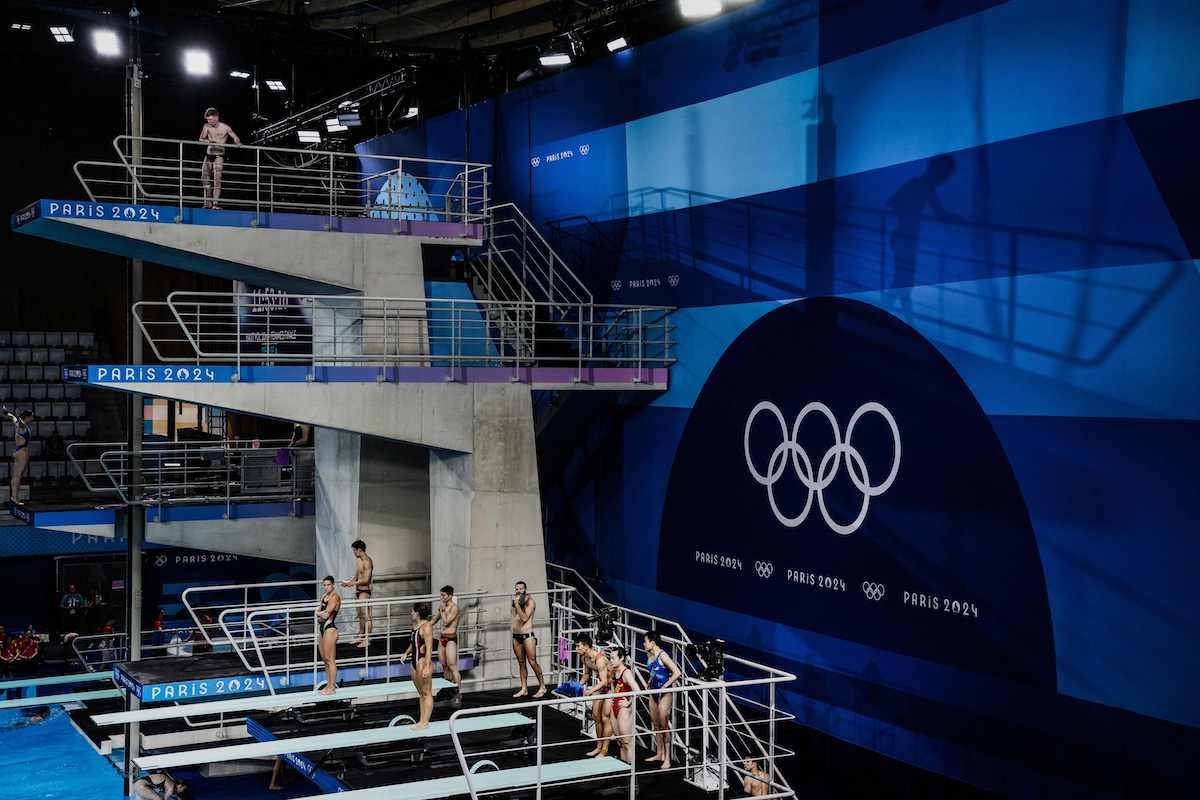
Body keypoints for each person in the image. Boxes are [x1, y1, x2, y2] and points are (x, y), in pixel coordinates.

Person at [643, 629, 682, 770]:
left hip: (664, 694)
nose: (643, 644)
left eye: (645, 641)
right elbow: (654, 671)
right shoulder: (650, 655)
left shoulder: (662, 655)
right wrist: (649, 681)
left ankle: (668, 759)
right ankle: (659, 753)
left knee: (664, 727)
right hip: (653, 692)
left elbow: (677, 672)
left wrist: (665, 685)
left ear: (652, 643)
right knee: (656, 724)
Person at [575, 632, 612, 758]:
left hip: (611, 687)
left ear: (586, 646)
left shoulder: (600, 659)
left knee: (605, 718)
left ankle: (605, 749)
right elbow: (586, 675)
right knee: (596, 716)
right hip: (601, 687)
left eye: (578, 646)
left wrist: (590, 691)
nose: (576, 649)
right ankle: (599, 746)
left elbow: (605, 681)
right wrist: (577, 687)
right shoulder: (584, 658)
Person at [400, 602, 435, 730]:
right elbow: (413, 643)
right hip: (414, 662)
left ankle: (425, 722)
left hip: (422, 661)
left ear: (418, 613)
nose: (411, 613)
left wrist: (426, 666)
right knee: (421, 694)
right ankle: (421, 720)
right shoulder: (415, 626)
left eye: (412, 611)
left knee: (427, 693)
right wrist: (406, 653)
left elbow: (430, 647)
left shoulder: (426, 627)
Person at [198, 107, 241, 209]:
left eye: (211, 119)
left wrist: (237, 141)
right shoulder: (206, 126)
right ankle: (207, 203)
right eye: (208, 120)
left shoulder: (225, 127)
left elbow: (234, 137)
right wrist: (208, 141)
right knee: (205, 179)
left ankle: (215, 204)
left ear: (217, 117)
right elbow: (200, 139)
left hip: (219, 156)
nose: (209, 121)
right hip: (208, 155)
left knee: (217, 180)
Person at [511, 580, 546, 698]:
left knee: (532, 661)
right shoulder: (515, 602)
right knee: (521, 663)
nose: (518, 591)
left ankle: (542, 687)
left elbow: (524, 618)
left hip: (528, 636)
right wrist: (516, 604)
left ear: (525, 590)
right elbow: (515, 618)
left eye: (520, 589)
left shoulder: (530, 601)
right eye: (516, 589)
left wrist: (516, 604)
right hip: (516, 637)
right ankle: (524, 688)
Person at [608, 645, 641, 763]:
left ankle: (631, 770)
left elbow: (638, 691)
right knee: (620, 742)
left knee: (627, 742)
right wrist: (612, 696)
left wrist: (629, 702)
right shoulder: (613, 671)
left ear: (621, 658)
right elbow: (613, 686)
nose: (611, 661)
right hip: (614, 707)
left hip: (623, 710)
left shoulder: (626, 673)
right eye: (610, 658)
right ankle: (624, 769)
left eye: (613, 658)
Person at [341, 539, 374, 649]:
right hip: (358, 590)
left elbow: (366, 579)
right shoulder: (359, 560)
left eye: (354, 551)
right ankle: (361, 635)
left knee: (367, 616)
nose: (353, 553)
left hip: (365, 591)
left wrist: (353, 583)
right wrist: (348, 582)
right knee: (360, 615)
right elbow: (356, 576)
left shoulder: (368, 561)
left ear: (360, 550)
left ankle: (367, 639)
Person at [316, 576, 341, 695]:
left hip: (330, 629)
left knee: (330, 659)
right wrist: (320, 613)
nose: (326, 587)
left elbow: (326, 615)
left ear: (333, 585)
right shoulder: (324, 597)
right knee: (325, 659)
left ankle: (332, 688)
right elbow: (321, 613)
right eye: (324, 585)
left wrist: (318, 612)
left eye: (328, 585)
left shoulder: (335, 597)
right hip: (322, 629)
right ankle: (328, 685)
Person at [438, 585, 462, 703]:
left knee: (452, 666)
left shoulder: (454, 608)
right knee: (444, 667)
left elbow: (447, 622)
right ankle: (448, 690)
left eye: (443, 595)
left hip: (451, 638)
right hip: (442, 638)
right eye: (441, 595)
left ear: (450, 596)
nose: (441, 597)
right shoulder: (443, 606)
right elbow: (436, 619)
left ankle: (458, 693)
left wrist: (442, 610)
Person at [5, 408, 34, 504]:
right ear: (27, 417)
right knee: (17, 476)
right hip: (21, 452)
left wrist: (7, 412)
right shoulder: (22, 426)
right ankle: (14, 498)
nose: (32, 418)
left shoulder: (18, 423)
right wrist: (18, 416)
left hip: (20, 451)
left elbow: (12, 417)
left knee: (18, 476)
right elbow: (20, 422)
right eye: (31, 416)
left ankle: (15, 497)